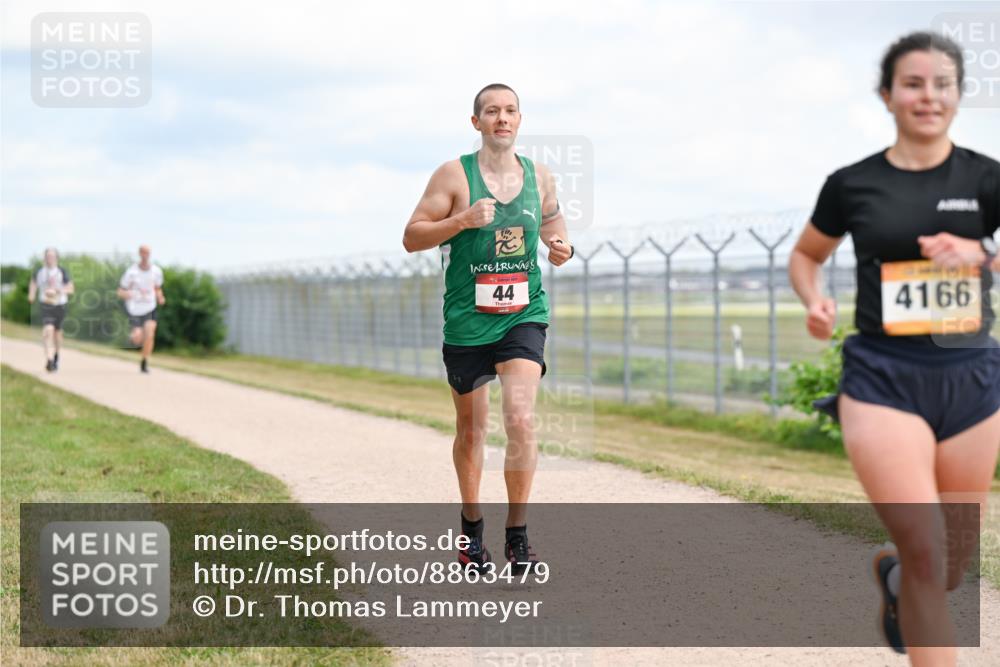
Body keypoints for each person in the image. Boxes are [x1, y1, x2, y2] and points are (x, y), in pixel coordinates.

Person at [789, 32, 1000, 665]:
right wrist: (815, 301)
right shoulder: (852, 184)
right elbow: (806, 255)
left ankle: (897, 580)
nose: (928, 96)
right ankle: (912, 572)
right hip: (883, 379)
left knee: (951, 565)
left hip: (971, 379)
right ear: (887, 95)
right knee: (929, 555)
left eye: (942, 84)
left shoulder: (987, 178)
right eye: (913, 83)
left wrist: (981, 253)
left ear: (958, 95)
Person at [402, 83, 573, 574]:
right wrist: (461, 220)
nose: (502, 118)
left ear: (519, 120)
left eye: (510, 110)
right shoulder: (454, 175)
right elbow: (412, 237)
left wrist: (561, 247)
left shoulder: (539, 175)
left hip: (523, 314)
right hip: (467, 320)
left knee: (520, 419)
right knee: (472, 430)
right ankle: (472, 530)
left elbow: (553, 223)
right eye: (492, 111)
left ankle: (518, 536)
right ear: (476, 122)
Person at [117, 245, 165, 373]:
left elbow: (157, 288)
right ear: (139, 254)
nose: (145, 255)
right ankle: (133, 337)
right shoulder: (131, 272)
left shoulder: (156, 271)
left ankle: (145, 361)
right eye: (143, 252)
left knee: (150, 334)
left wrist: (160, 297)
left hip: (150, 307)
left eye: (148, 253)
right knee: (138, 338)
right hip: (135, 309)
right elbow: (120, 291)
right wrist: (128, 294)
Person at [26, 248, 75, 372]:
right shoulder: (40, 272)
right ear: (44, 258)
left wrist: (58, 290)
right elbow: (33, 283)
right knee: (48, 329)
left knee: (57, 333)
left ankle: (56, 355)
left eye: (52, 256)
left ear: (56, 258)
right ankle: (49, 360)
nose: (50, 259)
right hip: (46, 304)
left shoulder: (62, 272)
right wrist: (31, 294)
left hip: (60, 304)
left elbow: (71, 289)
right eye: (48, 256)